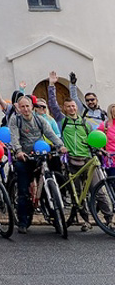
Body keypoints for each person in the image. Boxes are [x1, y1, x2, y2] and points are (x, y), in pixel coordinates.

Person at [46, 70, 94, 229]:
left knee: (95, 191)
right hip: (71, 160)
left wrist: (72, 85)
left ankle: (106, 219)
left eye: (73, 106)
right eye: (68, 107)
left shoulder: (84, 121)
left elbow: (77, 100)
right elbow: (52, 104)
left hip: (87, 158)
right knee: (78, 192)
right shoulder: (62, 120)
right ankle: (86, 221)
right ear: (65, 109)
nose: (72, 108)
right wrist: (52, 85)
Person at [9, 93, 64, 233]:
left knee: (48, 184)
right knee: (23, 191)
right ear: (19, 108)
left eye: (27, 106)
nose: (25, 109)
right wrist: (19, 151)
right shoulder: (16, 120)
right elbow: (14, 137)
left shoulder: (40, 120)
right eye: (22, 107)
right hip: (24, 157)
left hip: (39, 155)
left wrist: (60, 146)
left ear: (32, 107)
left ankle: (55, 217)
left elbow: (50, 133)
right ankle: (22, 221)